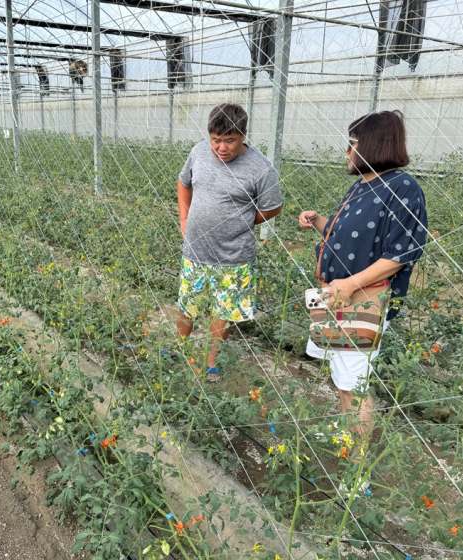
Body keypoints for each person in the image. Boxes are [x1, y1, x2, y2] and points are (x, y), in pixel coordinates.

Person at [298, 110, 428, 438]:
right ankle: (347, 436)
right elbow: (351, 238)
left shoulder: (402, 188)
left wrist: (351, 283)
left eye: (351, 143)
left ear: (370, 144)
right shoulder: (363, 185)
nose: (347, 151)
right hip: (339, 295)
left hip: (364, 300)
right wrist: (320, 223)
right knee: (344, 380)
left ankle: (357, 472)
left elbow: (401, 253)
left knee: (354, 385)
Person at [176, 103, 283, 382]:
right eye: (216, 140)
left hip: (233, 255)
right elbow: (183, 183)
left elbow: (273, 207)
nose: (221, 147)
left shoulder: (261, 169)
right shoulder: (198, 152)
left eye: (229, 140)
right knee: (188, 304)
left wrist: (244, 220)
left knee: (223, 311)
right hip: (195, 249)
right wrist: (184, 219)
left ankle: (211, 362)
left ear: (243, 135)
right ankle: (180, 348)